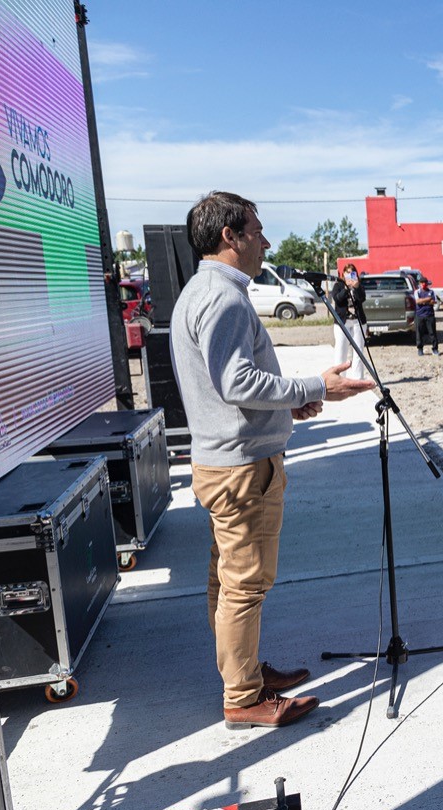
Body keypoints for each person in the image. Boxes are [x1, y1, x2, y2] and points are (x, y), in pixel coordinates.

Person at [171, 191, 372, 728]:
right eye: (256, 231)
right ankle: (242, 697)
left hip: (230, 460)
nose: (266, 241)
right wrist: (315, 386)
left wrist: (289, 405)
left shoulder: (202, 291)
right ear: (229, 236)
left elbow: (226, 388)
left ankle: (246, 674)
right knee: (246, 583)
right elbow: (235, 381)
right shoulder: (223, 298)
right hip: (241, 469)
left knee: (229, 577)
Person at [331, 264, 368, 380]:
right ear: (343, 274)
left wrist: (356, 287)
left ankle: (358, 378)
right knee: (341, 350)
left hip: (358, 321)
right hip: (343, 322)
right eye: (347, 273)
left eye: (352, 273)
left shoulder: (359, 286)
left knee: (358, 351)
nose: (350, 275)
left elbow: (362, 298)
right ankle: (340, 378)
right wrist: (346, 288)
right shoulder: (338, 285)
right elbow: (337, 299)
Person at [413, 276, 438, 356]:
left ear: (427, 283)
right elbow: (417, 301)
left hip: (430, 315)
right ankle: (420, 349)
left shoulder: (431, 292)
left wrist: (423, 301)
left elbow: (433, 302)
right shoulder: (417, 292)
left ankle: (435, 349)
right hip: (419, 315)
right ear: (419, 284)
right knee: (419, 333)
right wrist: (427, 300)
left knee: (432, 333)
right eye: (422, 282)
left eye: (425, 282)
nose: (423, 284)